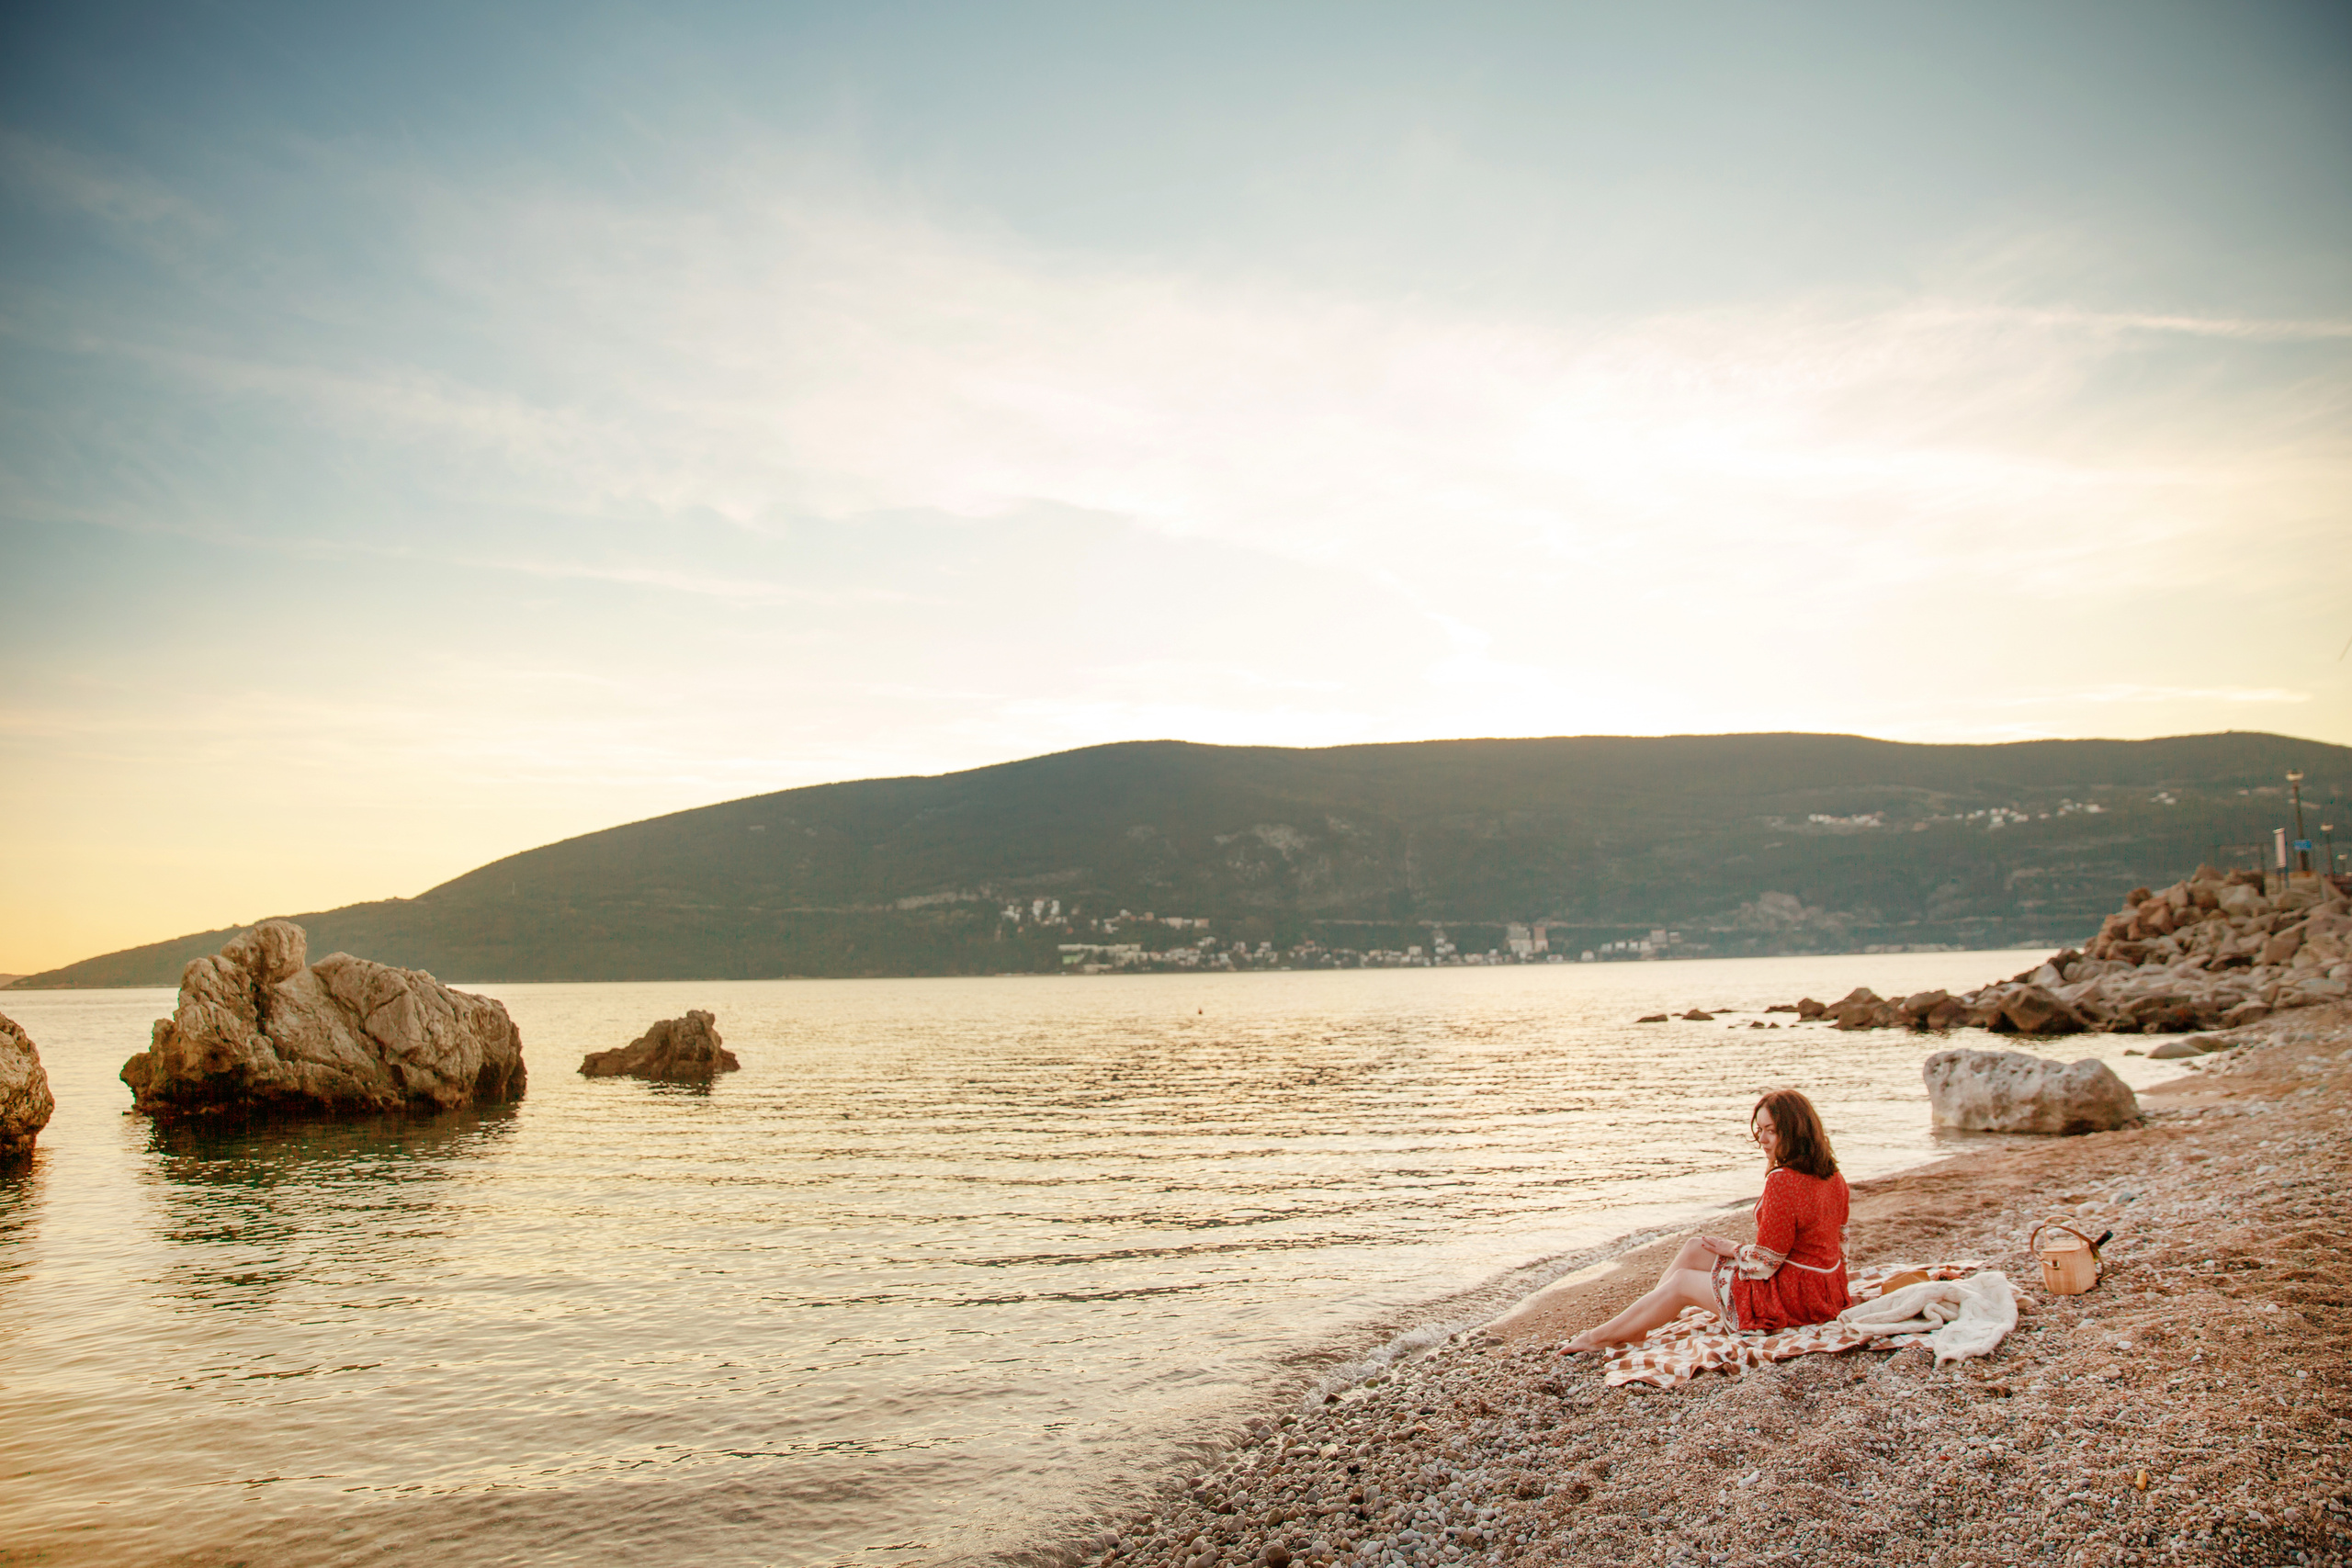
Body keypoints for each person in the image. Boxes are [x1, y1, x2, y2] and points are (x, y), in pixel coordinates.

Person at [1565, 1089, 1850, 1353]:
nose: (1761, 1139)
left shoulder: (1782, 1180)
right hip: (1825, 1292)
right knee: (1695, 1247)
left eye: (1771, 1131)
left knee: (1682, 1282)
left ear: (1795, 1133)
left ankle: (1598, 1338)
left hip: (1791, 1300)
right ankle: (1636, 1326)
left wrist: (1735, 1250)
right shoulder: (1833, 1176)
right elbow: (1840, 1244)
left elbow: (1764, 1264)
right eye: (1759, 1130)